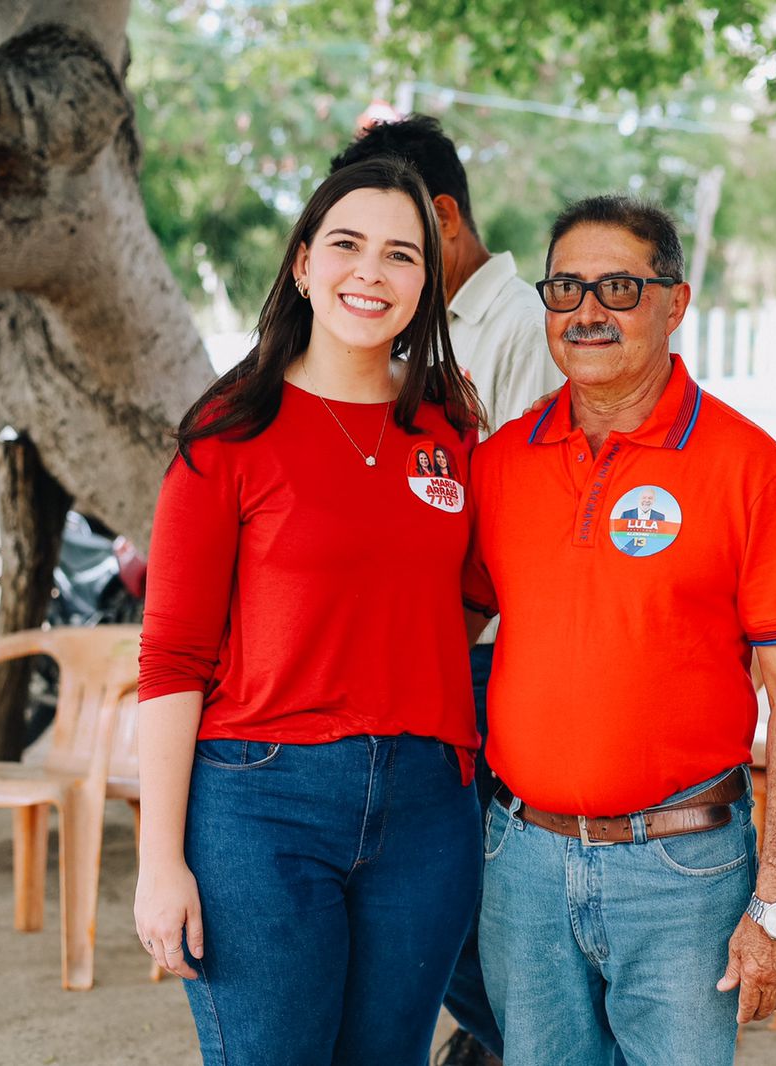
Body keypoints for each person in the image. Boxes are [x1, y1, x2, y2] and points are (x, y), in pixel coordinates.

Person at [463, 195, 776, 1066]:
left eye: (619, 287)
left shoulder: (756, 473)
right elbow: (452, 623)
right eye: (565, 288)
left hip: (683, 872)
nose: (588, 311)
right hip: (520, 860)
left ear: (675, 304)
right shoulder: (499, 464)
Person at [133, 157, 487, 1066]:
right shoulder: (230, 430)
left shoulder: (449, 425)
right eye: (347, 245)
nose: (371, 273)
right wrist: (158, 861)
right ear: (301, 265)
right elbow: (171, 659)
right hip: (261, 804)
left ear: (428, 280)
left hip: (428, 810)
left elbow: (473, 596)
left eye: (401, 254)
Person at [332, 113, 562, 1066]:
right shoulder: (405, 331)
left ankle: (531, 1045)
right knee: (421, 897)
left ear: (445, 218)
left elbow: (513, 524)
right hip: (406, 661)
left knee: (463, 897)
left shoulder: (516, 330)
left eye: (398, 238)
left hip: (480, 656)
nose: (376, 266)